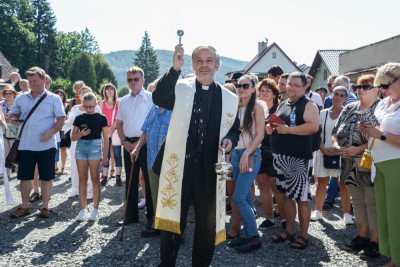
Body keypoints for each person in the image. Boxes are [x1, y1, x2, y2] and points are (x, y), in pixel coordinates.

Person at [152, 44, 240, 266]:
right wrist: (174, 69)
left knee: (206, 225)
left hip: (209, 169)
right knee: (172, 222)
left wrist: (230, 140)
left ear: (217, 65)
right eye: (199, 61)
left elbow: (234, 129)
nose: (204, 65)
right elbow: (159, 98)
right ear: (192, 65)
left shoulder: (230, 98)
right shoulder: (181, 88)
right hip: (178, 165)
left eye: (209, 60)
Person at [266, 72, 319, 250]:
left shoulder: (309, 104)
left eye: (297, 85)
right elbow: (281, 125)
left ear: (305, 87)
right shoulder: (283, 103)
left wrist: (288, 130)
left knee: (301, 198)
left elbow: (313, 126)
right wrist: (271, 127)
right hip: (280, 156)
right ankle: (289, 230)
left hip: (298, 158)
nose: (292, 87)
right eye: (290, 84)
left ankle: (303, 235)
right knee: (286, 195)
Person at [332, 74, 380, 257]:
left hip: (371, 163)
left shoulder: (381, 109)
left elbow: (382, 137)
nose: (360, 90)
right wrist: (336, 145)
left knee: (372, 202)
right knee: (357, 202)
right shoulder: (349, 108)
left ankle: (375, 241)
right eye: (358, 87)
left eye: (365, 87)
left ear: (376, 89)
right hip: (348, 164)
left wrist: (357, 149)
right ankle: (362, 237)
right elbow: (335, 132)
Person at [9, 66, 65, 218]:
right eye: (30, 81)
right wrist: (13, 119)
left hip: (46, 145)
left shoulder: (54, 98)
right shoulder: (21, 97)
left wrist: (51, 133)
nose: (32, 84)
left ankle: (45, 207)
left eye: (36, 80)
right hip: (26, 144)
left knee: (46, 177)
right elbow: (13, 114)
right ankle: (25, 206)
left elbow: (61, 120)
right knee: (24, 177)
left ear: (44, 80)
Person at [362, 62, 400, 267]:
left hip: (397, 165)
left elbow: (387, 135)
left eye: (386, 85)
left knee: (397, 214)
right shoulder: (385, 103)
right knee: (386, 213)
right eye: (381, 86)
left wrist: (381, 135)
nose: (383, 90)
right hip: (380, 163)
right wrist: (370, 131)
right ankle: (394, 257)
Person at [226, 75, 264, 253]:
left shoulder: (257, 107)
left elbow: (260, 135)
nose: (241, 88)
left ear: (253, 88)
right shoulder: (236, 107)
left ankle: (254, 238)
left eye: (245, 85)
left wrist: (246, 153)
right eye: (239, 85)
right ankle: (249, 234)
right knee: (245, 197)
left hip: (250, 154)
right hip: (235, 154)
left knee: (239, 197)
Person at [131, 80, 173, 237]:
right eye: (155, 91)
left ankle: (174, 231)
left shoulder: (176, 111)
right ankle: (158, 225)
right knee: (155, 195)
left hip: (169, 162)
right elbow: (145, 131)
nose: (157, 94)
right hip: (151, 160)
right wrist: (136, 148)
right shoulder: (153, 110)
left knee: (169, 195)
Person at [116, 66, 154, 227]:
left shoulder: (152, 98)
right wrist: (124, 142)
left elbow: (152, 124)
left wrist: (138, 144)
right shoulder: (123, 101)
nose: (133, 82)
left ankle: (151, 217)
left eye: (136, 79)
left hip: (145, 143)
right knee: (130, 179)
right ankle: (130, 215)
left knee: (148, 178)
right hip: (128, 143)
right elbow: (119, 124)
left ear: (143, 80)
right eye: (130, 80)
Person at [71, 92, 108, 221]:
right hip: (81, 147)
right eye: (86, 107)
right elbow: (72, 137)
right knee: (82, 178)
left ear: (96, 104)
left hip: (95, 147)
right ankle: (83, 209)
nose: (88, 109)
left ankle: (96, 209)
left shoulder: (102, 118)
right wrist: (81, 134)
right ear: (82, 105)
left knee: (95, 178)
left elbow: (106, 139)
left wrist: (105, 156)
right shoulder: (79, 118)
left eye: (91, 106)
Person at [311, 87, 346, 221]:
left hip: (341, 152)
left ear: (345, 98)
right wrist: (321, 147)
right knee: (321, 182)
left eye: (341, 95)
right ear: (332, 95)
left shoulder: (347, 113)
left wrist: (338, 148)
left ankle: (347, 214)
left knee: (342, 183)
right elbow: (316, 132)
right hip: (323, 151)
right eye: (336, 94)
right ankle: (318, 211)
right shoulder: (323, 113)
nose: (337, 97)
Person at [254, 78, 284, 230]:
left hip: (274, 150)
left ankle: (285, 218)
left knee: (275, 186)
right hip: (258, 150)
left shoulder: (280, 109)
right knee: (262, 185)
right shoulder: (255, 108)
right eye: (262, 91)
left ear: (274, 94)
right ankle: (269, 218)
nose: (264, 93)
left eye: (268, 91)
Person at [63, 86, 98, 198]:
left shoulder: (96, 108)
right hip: (76, 140)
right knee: (74, 164)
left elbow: (100, 124)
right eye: (81, 92)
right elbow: (69, 123)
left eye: (86, 92)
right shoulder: (75, 108)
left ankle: (90, 191)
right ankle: (75, 188)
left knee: (89, 166)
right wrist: (57, 125)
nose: (83, 94)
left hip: (91, 141)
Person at [99, 83, 123, 186]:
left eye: (111, 90)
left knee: (117, 154)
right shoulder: (100, 104)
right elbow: (98, 117)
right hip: (104, 131)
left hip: (116, 131)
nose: (109, 92)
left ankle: (118, 176)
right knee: (106, 154)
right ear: (104, 91)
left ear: (114, 91)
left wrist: (112, 128)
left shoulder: (119, 103)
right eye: (107, 90)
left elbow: (119, 117)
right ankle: (105, 176)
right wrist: (106, 129)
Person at [1, 85, 19, 173]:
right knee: (5, 149)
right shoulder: (1, 104)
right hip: (3, 128)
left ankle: (16, 169)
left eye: (10, 93)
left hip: (14, 127)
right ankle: (7, 171)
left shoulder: (18, 104)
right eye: (6, 93)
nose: (8, 95)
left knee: (14, 149)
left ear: (14, 94)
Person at [55, 89, 70, 175]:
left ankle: (63, 168)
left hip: (65, 129)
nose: (59, 96)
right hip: (55, 129)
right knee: (55, 148)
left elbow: (70, 117)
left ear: (64, 96)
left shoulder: (67, 105)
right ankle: (55, 168)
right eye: (57, 94)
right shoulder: (52, 105)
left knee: (63, 149)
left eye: (61, 95)